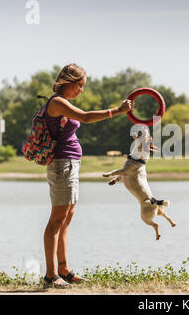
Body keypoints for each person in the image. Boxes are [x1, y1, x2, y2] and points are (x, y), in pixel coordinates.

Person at [43, 63, 134, 287]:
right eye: (80, 85)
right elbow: (85, 117)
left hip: (71, 165)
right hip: (62, 165)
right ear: (70, 82)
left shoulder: (64, 103)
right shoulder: (56, 102)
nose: (82, 90)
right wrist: (117, 111)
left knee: (65, 220)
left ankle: (64, 270)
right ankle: (50, 274)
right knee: (56, 220)